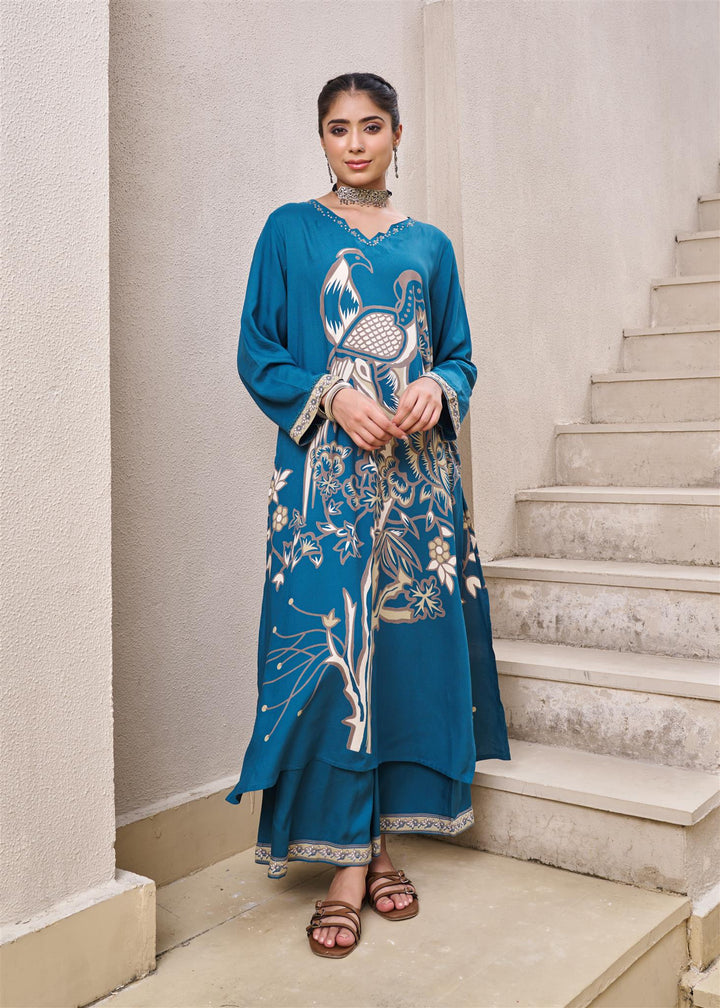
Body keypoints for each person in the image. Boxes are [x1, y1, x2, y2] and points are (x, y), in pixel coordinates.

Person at [225, 71, 511, 959]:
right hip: (325, 491)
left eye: (372, 126)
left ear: (397, 135)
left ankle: (377, 845)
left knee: (400, 660)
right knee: (329, 656)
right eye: (339, 128)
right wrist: (332, 395)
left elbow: (459, 355)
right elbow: (258, 350)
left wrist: (437, 385)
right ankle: (347, 860)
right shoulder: (288, 231)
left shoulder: (430, 245)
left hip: (418, 489)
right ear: (322, 138)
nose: (355, 143)